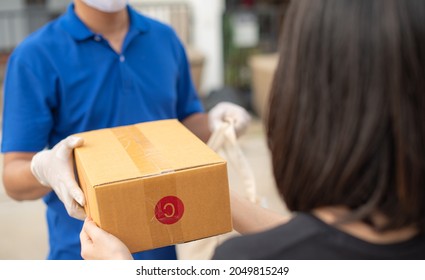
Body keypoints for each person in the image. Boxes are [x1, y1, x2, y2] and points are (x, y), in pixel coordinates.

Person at [79, 0, 425, 260]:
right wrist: (210, 194)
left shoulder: (165, 39)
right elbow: (324, 244)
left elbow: (189, 119)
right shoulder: (36, 56)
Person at [1, 0, 251, 260]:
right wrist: (43, 170)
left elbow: (185, 125)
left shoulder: (164, 39)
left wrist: (213, 123)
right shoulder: (35, 56)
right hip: (81, 253)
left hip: (165, 241)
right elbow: (13, 176)